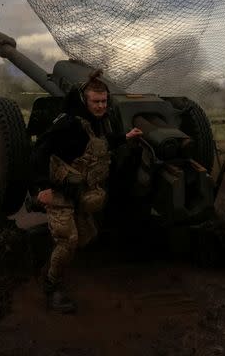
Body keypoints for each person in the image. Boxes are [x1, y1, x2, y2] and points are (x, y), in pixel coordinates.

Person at [33, 69, 142, 313]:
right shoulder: (69, 123)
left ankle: (50, 264)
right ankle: (52, 290)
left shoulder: (97, 122)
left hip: (79, 190)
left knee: (87, 235)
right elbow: (39, 151)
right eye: (96, 101)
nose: (101, 106)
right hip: (60, 190)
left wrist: (126, 137)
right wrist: (43, 188)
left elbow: (100, 145)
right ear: (85, 100)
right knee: (68, 241)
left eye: (104, 101)